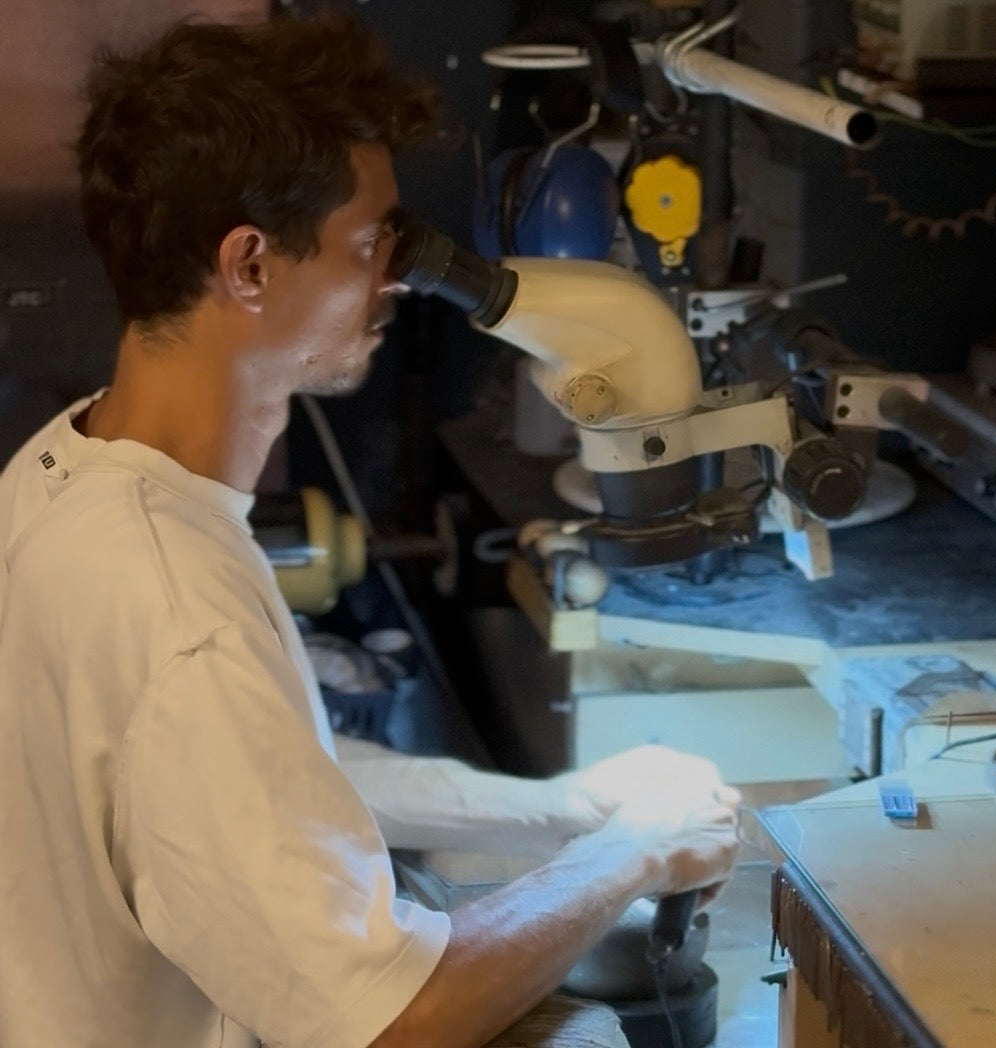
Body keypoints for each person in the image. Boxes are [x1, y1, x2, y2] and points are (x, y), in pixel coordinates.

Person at [0, 13, 741, 1048]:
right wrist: (632, 857)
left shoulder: (62, 471)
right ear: (249, 265)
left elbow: (267, 780)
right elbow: (396, 1024)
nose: (397, 275)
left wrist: (564, 807)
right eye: (371, 241)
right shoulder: (174, 605)